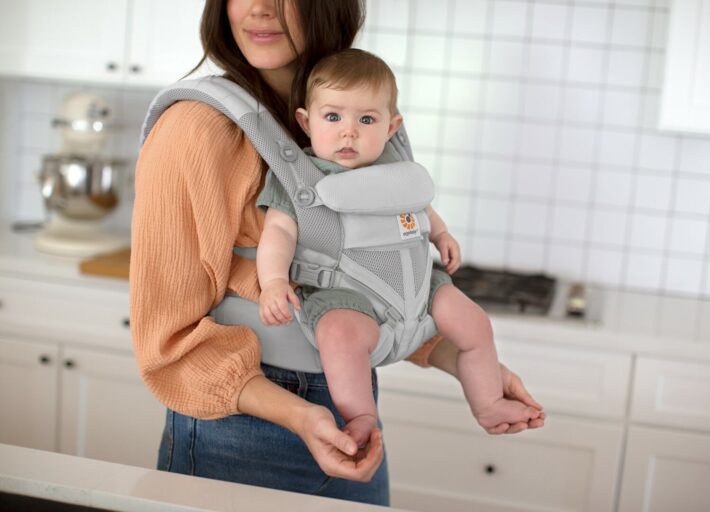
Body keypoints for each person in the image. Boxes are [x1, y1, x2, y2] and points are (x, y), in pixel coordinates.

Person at [130, 0, 546, 506]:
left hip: (352, 413)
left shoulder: (360, 119)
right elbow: (167, 342)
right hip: (241, 431)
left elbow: (370, 275)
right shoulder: (196, 129)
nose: (259, 9)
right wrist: (300, 416)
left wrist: (467, 363)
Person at [256, 48, 542, 449]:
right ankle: (361, 417)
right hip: (346, 297)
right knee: (339, 336)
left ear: (392, 127)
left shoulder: (395, 170)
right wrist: (272, 281)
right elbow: (278, 233)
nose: (349, 132)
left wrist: (441, 235)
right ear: (306, 122)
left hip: (419, 291)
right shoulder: (299, 176)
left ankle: (489, 402)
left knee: (475, 323)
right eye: (333, 117)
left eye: (366, 119)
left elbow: (419, 206)